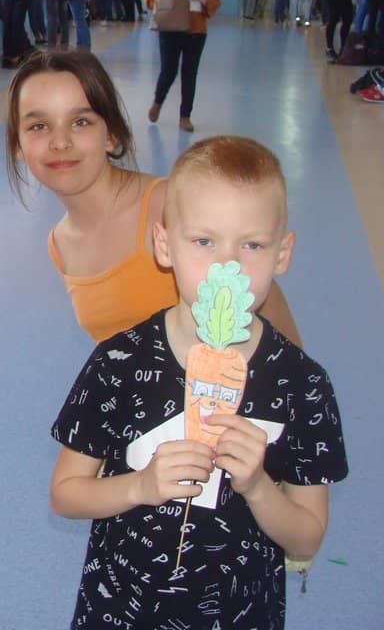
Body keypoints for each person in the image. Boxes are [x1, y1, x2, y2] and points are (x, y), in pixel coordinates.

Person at [50, 135, 348, 630]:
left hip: (240, 611)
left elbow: (306, 536)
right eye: (203, 241)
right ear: (164, 245)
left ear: (282, 253)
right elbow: (66, 494)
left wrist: (258, 487)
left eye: (252, 245)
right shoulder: (119, 362)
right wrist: (140, 485)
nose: (227, 266)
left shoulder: (303, 384)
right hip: (121, 606)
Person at [4, 48, 301, 347]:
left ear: (111, 134)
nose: (60, 142)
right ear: (18, 145)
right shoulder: (59, 245)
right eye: (38, 126)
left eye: (81, 122)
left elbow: (274, 326)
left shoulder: (169, 207)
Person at [145, 0, 221, 133]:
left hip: (196, 31)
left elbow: (215, 3)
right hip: (170, 29)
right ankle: (157, 102)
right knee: (168, 71)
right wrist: (169, 1)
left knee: (190, 73)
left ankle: (185, 116)